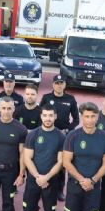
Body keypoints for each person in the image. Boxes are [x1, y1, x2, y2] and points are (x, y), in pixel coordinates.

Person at [14, 105, 65, 211]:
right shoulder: (33, 134)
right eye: (45, 115)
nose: (48, 118)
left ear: (55, 117)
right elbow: (27, 158)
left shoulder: (61, 136)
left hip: (51, 181)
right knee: (28, 209)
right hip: (33, 180)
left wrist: (47, 177)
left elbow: (60, 161)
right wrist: (37, 176)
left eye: (51, 115)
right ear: (41, 116)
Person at [40, 74, 79, 202]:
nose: (59, 85)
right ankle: (41, 184)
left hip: (63, 136)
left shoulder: (70, 99)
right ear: (53, 84)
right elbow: (40, 115)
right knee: (45, 159)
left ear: (65, 85)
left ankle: (60, 190)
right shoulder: (46, 98)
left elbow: (76, 120)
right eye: (57, 83)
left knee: (61, 163)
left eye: (61, 83)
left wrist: (67, 130)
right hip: (47, 135)